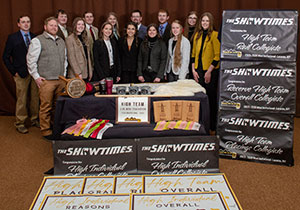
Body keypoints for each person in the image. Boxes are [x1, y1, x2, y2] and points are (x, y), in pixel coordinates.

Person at [27, 17, 67, 139]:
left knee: (57, 105)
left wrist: (64, 75)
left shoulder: (61, 41)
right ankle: (45, 130)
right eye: (51, 25)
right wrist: (36, 77)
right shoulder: (37, 40)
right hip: (46, 80)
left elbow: (65, 59)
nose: (54, 28)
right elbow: (31, 60)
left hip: (60, 80)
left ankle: (55, 127)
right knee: (46, 106)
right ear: (45, 27)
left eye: (56, 26)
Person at [2, 15, 39, 134]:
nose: (26, 24)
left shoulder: (34, 37)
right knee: (22, 99)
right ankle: (20, 123)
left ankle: (34, 119)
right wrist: (14, 71)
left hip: (34, 72)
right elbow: (6, 57)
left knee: (35, 97)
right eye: (23, 22)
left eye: (28, 21)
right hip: (20, 73)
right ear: (18, 24)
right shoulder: (13, 38)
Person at [191, 12, 220, 132]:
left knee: (210, 99)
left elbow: (217, 56)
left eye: (207, 21)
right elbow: (193, 54)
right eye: (203, 21)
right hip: (198, 71)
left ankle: (212, 127)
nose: (205, 23)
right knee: (199, 98)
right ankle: (200, 124)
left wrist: (209, 72)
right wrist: (193, 70)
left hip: (210, 72)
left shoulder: (215, 35)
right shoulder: (197, 35)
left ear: (211, 22)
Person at [65, 17, 93, 81]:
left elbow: (88, 56)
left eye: (83, 24)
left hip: (86, 72)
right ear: (75, 26)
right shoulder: (69, 39)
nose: (81, 26)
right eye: (79, 24)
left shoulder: (85, 38)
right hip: (76, 74)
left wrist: (90, 71)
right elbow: (71, 58)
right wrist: (78, 73)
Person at [183, 11, 198, 79]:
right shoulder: (183, 31)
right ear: (187, 19)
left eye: (194, 18)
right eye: (190, 18)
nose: (192, 20)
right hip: (185, 60)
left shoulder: (199, 31)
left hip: (195, 60)